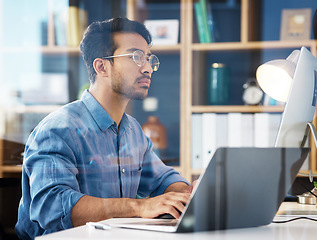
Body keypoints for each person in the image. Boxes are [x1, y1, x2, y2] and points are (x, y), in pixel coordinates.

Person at [15, 17, 195, 240]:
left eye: (148, 59)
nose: (148, 68)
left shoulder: (133, 131)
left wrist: (187, 194)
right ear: (102, 66)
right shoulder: (58, 129)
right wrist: (139, 207)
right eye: (136, 57)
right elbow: (52, 209)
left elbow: (163, 181)